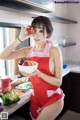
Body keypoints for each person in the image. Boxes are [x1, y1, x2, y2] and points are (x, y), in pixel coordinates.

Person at [0, 16, 64, 120]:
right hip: (36, 98)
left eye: (41, 30)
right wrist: (20, 38)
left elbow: (58, 82)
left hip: (53, 98)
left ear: (48, 33)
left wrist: (39, 74)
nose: (36, 35)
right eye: (35, 30)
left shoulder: (54, 50)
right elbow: (2, 56)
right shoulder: (28, 50)